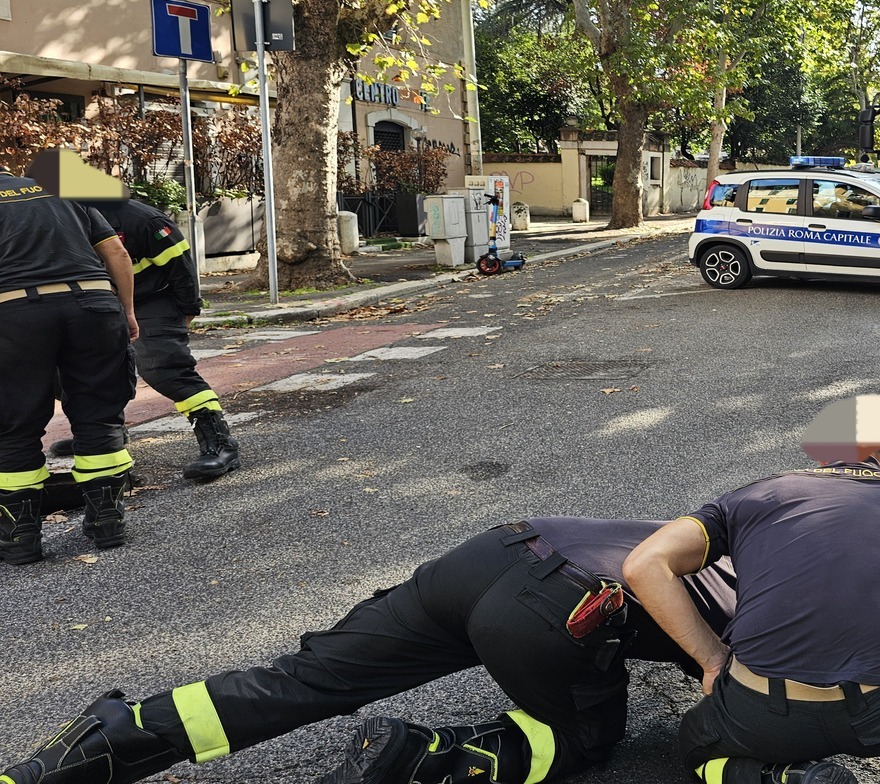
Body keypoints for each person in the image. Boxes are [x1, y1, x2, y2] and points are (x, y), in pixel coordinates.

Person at [1, 516, 738, 784]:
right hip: (560, 605)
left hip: (486, 554)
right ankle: (417, 760)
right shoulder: (776, 603)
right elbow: (738, 700)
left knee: (303, 679)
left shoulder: (723, 528)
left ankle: (88, 752)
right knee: (586, 740)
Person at [624, 395, 880, 784]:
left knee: (699, 751)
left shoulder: (752, 496)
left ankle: (785, 777)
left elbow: (644, 564)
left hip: (763, 716)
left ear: (821, 454)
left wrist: (713, 660)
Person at [0, 161, 139, 566]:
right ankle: (107, 524)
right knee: (99, 413)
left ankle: (19, 538)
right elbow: (116, 251)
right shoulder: (54, 189)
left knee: (13, 424)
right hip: (93, 305)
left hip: (15, 313)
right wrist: (127, 311)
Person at [47, 197, 241, 480]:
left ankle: (220, 442)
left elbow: (180, 264)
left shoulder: (142, 220)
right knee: (63, 371)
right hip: (97, 299)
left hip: (153, 298)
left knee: (163, 366)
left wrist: (188, 308)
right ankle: (105, 433)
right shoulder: (59, 216)